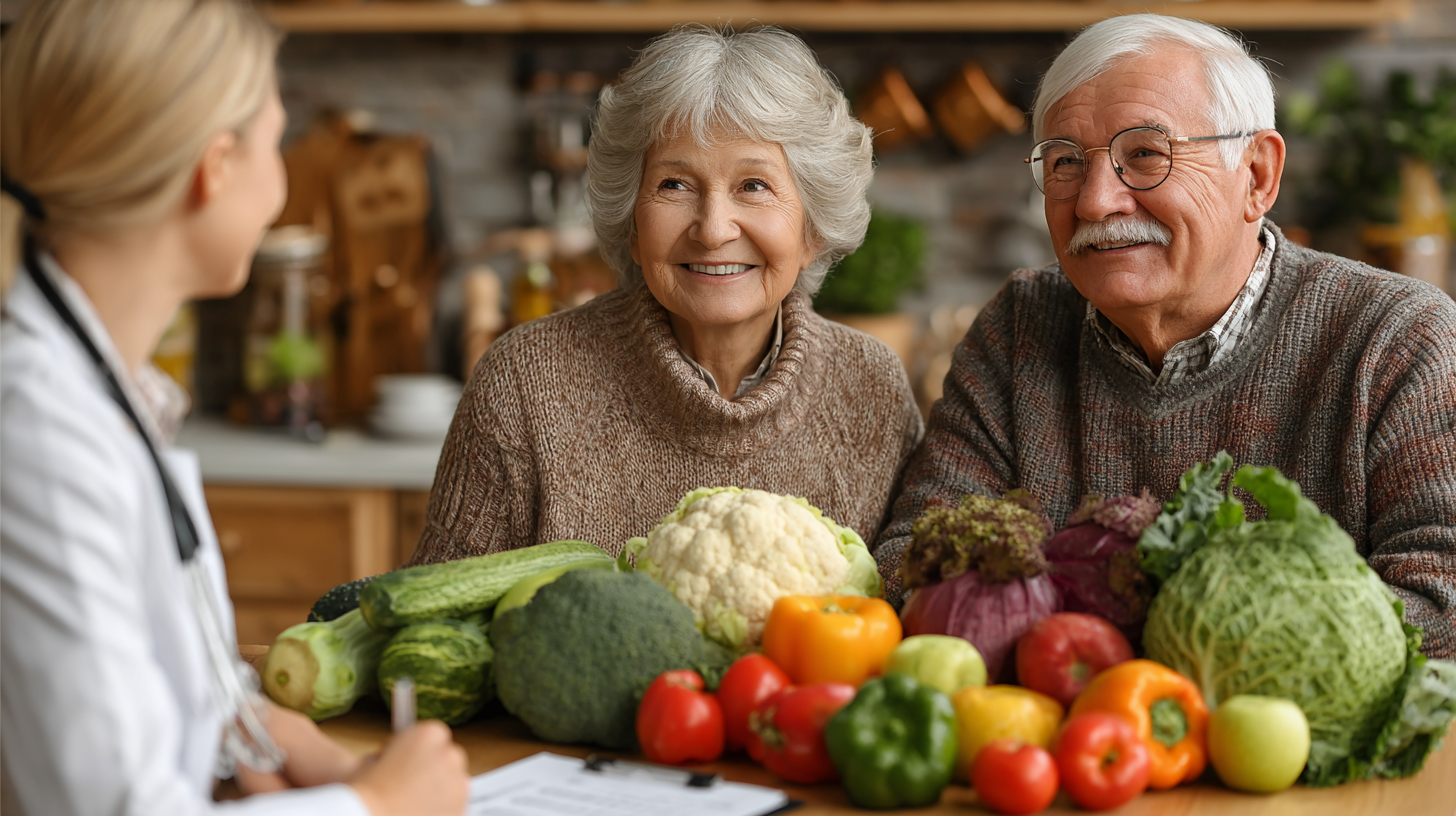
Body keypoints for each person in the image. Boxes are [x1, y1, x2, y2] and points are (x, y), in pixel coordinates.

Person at [0, 1, 469, 814]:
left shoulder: (103, 393)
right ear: (214, 168)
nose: (282, 184)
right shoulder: (36, 430)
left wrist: (248, 729)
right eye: (274, 143)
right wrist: (382, 806)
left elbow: (138, 690)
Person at [875, 14, 1456, 657]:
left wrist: (1146, 630)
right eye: (1067, 162)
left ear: (1257, 176)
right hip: (1067, 742)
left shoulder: (1399, 338)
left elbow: (1441, 605)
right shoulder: (1019, 327)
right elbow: (913, 563)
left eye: (1145, 154)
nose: (1095, 202)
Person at [410, 25, 922, 565]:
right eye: (674, 185)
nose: (713, 228)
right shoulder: (524, 383)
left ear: (812, 230)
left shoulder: (873, 388)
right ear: (631, 224)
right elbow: (434, 628)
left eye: (755, 185)